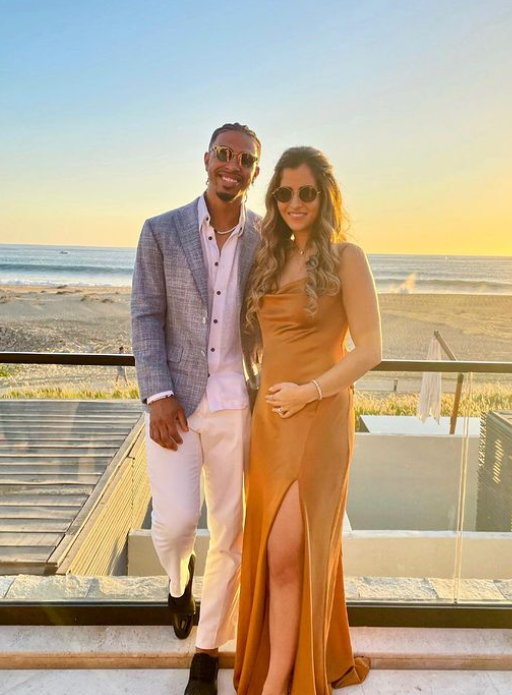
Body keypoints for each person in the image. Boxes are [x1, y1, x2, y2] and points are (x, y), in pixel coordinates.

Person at [234, 146, 382, 695]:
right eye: (285, 193)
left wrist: (308, 392)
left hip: (318, 416)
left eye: (307, 192)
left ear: (325, 197)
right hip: (271, 423)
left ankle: (277, 685)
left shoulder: (348, 258)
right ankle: (295, 660)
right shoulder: (269, 258)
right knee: (273, 547)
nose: (295, 202)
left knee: (289, 554)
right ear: (274, 199)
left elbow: (370, 350)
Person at [131, 123, 262, 695]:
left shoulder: (267, 237)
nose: (232, 165)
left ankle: (206, 651)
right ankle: (177, 576)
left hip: (237, 404)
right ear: (206, 159)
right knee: (178, 521)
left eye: (246, 159)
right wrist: (157, 394)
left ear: (255, 172)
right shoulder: (160, 231)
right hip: (175, 406)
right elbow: (145, 315)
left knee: (230, 531)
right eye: (224, 154)